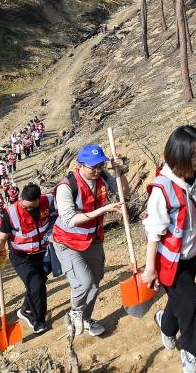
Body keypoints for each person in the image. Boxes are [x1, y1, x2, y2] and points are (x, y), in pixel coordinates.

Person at [143, 126, 196, 373]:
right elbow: (153, 233)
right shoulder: (162, 188)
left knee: (180, 301)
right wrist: (150, 269)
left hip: (193, 252)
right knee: (191, 302)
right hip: (170, 259)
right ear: (179, 158)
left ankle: (165, 325)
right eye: (195, 156)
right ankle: (191, 353)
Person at [52, 144, 126, 336]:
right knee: (83, 283)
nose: (96, 170)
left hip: (92, 239)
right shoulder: (66, 186)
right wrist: (103, 210)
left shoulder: (102, 175)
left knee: (95, 283)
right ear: (80, 165)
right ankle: (75, 311)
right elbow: (71, 220)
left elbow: (123, 192)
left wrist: (120, 172)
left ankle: (85, 318)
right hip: (68, 242)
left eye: (100, 166)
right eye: (92, 167)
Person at [0, 183, 56, 335]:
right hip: (21, 256)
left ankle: (25, 310)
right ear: (20, 199)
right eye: (25, 206)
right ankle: (38, 320)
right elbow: (2, 237)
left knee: (36, 284)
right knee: (38, 285)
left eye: (32, 207)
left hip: (42, 253)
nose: (28, 209)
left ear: (39, 200)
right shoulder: (11, 212)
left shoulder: (48, 200)